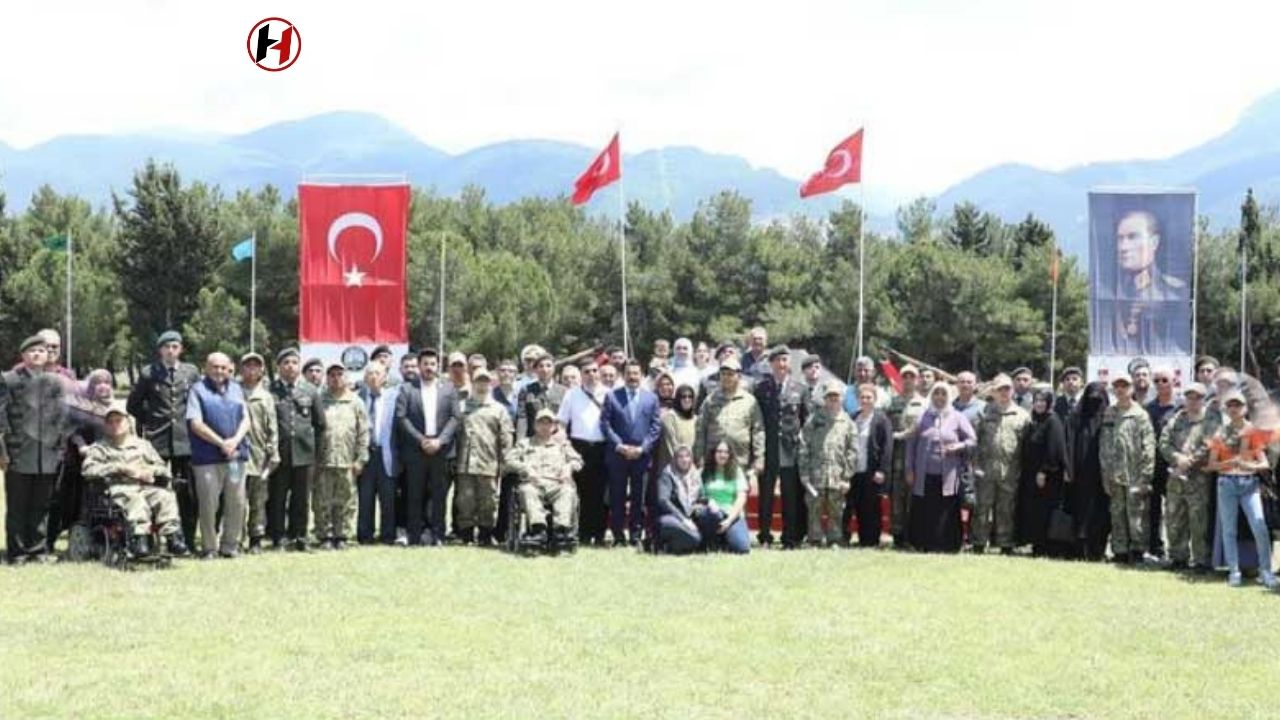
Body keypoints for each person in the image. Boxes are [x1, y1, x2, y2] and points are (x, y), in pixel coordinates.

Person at [126, 330, 200, 551]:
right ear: (160, 350)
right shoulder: (149, 373)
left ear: (181, 349)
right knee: (154, 489)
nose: (171, 350)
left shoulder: (191, 372)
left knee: (187, 493)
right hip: (157, 441)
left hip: (184, 440)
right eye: (166, 347)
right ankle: (148, 539)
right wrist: (150, 419)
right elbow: (133, 405)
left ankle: (184, 540)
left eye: (175, 346)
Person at [80, 402, 184, 556]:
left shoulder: (143, 446)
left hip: (145, 486)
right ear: (105, 426)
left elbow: (162, 468)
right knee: (134, 498)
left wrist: (148, 471)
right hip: (116, 490)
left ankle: (172, 537)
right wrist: (119, 468)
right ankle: (139, 539)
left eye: (119, 420)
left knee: (165, 496)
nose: (115, 425)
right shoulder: (99, 448)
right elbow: (88, 470)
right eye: (110, 422)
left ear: (128, 422)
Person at [1, 335, 71, 564]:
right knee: (18, 506)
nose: (38, 354)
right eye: (32, 351)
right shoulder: (9, 380)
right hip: (18, 453)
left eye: (42, 351)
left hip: (47, 455)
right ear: (23, 355)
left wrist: (59, 449)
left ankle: (38, 549)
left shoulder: (55, 383)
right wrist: (2, 451)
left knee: (41, 505)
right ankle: (18, 552)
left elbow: (62, 419)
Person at [1205, 389, 1277, 588]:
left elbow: (1264, 464)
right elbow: (1211, 465)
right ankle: (1234, 571)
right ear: (1226, 409)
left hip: (1249, 484)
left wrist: (1248, 466)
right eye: (1230, 405)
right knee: (1229, 530)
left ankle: (1266, 571)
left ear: (1245, 408)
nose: (1234, 409)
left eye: (1238, 405)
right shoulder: (1220, 432)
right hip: (1226, 483)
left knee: (1259, 527)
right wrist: (1230, 463)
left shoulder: (1253, 431)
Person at [186, 353, 251, 559]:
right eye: (215, 367)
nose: (219, 371)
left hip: (235, 457)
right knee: (208, 504)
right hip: (207, 458)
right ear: (206, 368)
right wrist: (221, 442)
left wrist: (234, 440)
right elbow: (195, 423)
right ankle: (209, 548)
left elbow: (246, 419)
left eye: (223, 367)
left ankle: (230, 546)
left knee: (237, 502)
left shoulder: (237, 388)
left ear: (230, 368)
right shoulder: (197, 390)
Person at [395, 347, 459, 547]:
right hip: (416, 450)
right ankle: (415, 536)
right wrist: (420, 440)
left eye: (432, 364)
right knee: (414, 494)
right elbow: (401, 418)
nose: (429, 368)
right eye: (425, 364)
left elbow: (456, 417)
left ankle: (438, 535)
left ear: (438, 366)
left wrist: (440, 440)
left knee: (438, 496)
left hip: (441, 449)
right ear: (420, 366)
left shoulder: (448, 389)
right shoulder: (407, 389)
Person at [693, 357, 764, 533]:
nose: (726, 377)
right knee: (713, 496)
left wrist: (759, 457)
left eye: (730, 374)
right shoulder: (710, 400)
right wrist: (699, 457)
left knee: (738, 497)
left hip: (740, 459)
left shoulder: (750, 401)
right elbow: (700, 429)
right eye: (723, 374)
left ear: (738, 376)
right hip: (713, 460)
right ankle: (712, 533)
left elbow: (758, 430)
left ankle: (736, 534)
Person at [905, 382, 976, 553]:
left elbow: (973, 441)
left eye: (943, 394)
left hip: (948, 475)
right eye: (936, 393)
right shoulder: (922, 417)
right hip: (924, 474)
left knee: (946, 510)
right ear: (931, 396)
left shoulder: (958, 417)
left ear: (948, 397)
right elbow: (911, 445)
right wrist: (909, 470)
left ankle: (947, 545)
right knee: (925, 509)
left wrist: (958, 446)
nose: (939, 397)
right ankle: (922, 544)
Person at [268, 348, 326, 552]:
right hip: (279, 454)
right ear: (279, 367)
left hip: (304, 454)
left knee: (301, 499)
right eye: (286, 362)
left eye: (294, 362)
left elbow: (320, 424)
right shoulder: (270, 390)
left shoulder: (310, 390)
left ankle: (300, 536)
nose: (290, 366)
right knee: (277, 497)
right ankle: (278, 537)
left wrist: (316, 454)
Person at [1158, 382, 1218, 572]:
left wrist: (1189, 461)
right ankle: (1178, 557)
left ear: (1203, 399)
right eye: (1190, 397)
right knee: (1175, 518)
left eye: (1198, 397)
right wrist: (1177, 458)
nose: (1193, 401)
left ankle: (1200, 560)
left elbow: (1211, 444)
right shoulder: (1176, 419)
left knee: (1198, 521)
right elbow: (1163, 442)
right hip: (1176, 478)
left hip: (1199, 479)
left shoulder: (1211, 420)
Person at [602, 359, 663, 546]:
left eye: (636, 373)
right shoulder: (612, 396)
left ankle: (636, 535)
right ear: (623, 375)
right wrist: (619, 445)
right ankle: (618, 535)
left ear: (642, 375)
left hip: (641, 457)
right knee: (617, 498)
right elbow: (605, 424)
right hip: (617, 455)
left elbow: (655, 426)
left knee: (639, 498)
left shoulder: (651, 398)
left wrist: (642, 448)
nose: (633, 377)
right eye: (629, 373)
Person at [53, 369, 115, 548]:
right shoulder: (80, 406)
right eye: (98, 383)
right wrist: (81, 446)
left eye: (106, 382)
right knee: (78, 503)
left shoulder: (115, 407)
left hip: (109, 462)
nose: (103, 386)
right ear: (91, 386)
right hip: (82, 462)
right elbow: (71, 430)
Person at [754, 346, 809, 548]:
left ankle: (790, 537)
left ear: (789, 364)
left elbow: (806, 420)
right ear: (771, 364)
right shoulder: (761, 388)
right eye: (777, 360)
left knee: (790, 495)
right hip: (768, 449)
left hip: (790, 449)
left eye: (785, 360)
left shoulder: (800, 389)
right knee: (766, 495)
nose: (781, 364)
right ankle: (765, 535)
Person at [1098, 373, 1155, 564]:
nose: (1121, 390)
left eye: (1124, 386)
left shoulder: (1140, 415)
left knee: (1136, 515)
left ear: (1131, 389)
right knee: (1117, 513)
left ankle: (1138, 551)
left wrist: (1145, 477)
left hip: (1135, 474)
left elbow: (1148, 447)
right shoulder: (1109, 412)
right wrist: (1105, 473)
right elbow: (1103, 445)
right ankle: (1120, 551)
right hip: (1114, 474)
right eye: (1117, 386)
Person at [506, 409, 582, 551]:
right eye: (541, 423)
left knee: (567, 491)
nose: (545, 426)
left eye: (549, 423)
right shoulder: (525, 444)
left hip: (556, 484)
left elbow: (577, 461)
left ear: (554, 427)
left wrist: (568, 467)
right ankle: (538, 530)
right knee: (527, 490)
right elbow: (509, 460)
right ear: (535, 425)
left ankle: (561, 531)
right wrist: (525, 469)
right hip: (534, 483)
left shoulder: (562, 445)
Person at [971, 373, 1030, 554]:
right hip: (985, 469)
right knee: (982, 508)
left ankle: (1005, 544)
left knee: (1006, 509)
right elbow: (974, 440)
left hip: (1011, 470)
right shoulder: (984, 413)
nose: (1004, 392)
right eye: (1000, 389)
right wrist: (974, 465)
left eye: (1007, 389)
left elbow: (1026, 445)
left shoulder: (1022, 415)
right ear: (994, 392)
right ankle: (979, 543)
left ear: (1012, 391)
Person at [453, 369, 512, 546]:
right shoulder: (463, 407)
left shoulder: (499, 409)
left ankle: (486, 535)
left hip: (489, 462)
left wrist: (505, 462)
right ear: (472, 382)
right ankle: (467, 535)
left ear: (490, 383)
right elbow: (455, 433)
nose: (482, 384)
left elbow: (506, 438)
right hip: (465, 461)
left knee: (488, 501)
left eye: (486, 381)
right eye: (479, 380)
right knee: (465, 501)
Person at [312, 362, 368, 550]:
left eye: (339, 374)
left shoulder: (356, 402)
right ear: (327, 378)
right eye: (332, 375)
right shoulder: (320, 400)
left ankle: (342, 535)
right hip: (324, 460)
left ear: (346, 377)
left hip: (347, 460)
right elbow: (313, 431)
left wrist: (361, 459)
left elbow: (363, 433)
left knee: (346, 500)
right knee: (323, 500)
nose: (336, 378)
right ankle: (325, 535)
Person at [798, 381, 858, 547]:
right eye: (830, 397)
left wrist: (847, 477)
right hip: (815, 474)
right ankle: (815, 539)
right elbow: (804, 445)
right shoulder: (814, 420)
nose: (833, 400)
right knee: (814, 509)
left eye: (836, 397)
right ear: (825, 399)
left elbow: (852, 451)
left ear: (841, 399)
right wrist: (804, 473)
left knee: (836, 510)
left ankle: (834, 539)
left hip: (837, 475)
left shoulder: (848, 423)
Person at [557, 359, 609, 545]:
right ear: (581, 374)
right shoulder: (572, 394)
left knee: (601, 493)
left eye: (595, 370)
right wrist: (563, 445)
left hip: (603, 447)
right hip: (579, 447)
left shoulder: (608, 393)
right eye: (587, 371)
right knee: (581, 492)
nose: (591, 374)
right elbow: (562, 423)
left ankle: (600, 533)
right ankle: (583, 533)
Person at [1015, 390, 1069, 557]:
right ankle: (1035, 544)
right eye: (1036, 400)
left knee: (1044, 511)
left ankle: (1045, 546)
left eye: (1043, 401)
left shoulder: (1052, 421)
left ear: (1049, 403)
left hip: (1047, 477)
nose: (1039, 404)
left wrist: (1044, 471)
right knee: (1034, 511)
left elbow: (1055, 450)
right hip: (1031, 474)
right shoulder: (1034, 420)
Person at [1065, 381, 1112, 561]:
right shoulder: (1076, 418)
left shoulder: (1109, 419)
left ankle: (1098, 549)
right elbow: (1069, 445)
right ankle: (1079, 548)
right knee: (1080, 512)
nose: (1095, 402)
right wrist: (1069, 469)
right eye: (1091, 398)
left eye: (1098, 398)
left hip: (1103, 475)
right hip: (1081, 475)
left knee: (1101, 514)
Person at [239, 353, 279, 554]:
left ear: (262, 370)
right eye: (248, 366)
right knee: (237, 501)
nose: (252, 370)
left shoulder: (266, 397)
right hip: (236, 456)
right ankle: (236, 538)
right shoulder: (233, 392)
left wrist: (273, 455)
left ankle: (255, 538)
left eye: (256, 366)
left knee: (258, 501)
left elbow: (273, 428)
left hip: (259, 456)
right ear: (241, 369)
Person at [845, 384, 894, 547]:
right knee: (856, 505)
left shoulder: (881, 419)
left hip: (872, 470)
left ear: (875, 399)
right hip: (854, 470)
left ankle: (871, 540)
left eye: (869, 397)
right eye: (862, 397)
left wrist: (882, 470)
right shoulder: (853, 417)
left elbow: (887, 447)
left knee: (871, 508)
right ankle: (858, 538)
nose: (865, 400)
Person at [357, 361, 400, 545]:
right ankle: (365, 535)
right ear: (365, 378)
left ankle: (387, 535)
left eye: (378, 373)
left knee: (388, 497)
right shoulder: (358, 398)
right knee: (365, 497)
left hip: (387, 454)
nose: (374, 376)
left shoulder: (395, 398)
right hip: (366, 454)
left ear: (385, 377)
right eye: (370, 373)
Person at [887, 364, 927, 549]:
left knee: (914, 499)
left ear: (917, 379)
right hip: (896, 459)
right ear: (901, 379)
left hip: (916, 461)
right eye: (905, 376)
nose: (908, 380)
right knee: (896, 500)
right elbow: (887, 430)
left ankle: (912, 536)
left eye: (912, 376)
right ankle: (897, 537)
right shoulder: (892, 403)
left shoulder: (925, 403)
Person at [1144, 365, 1181, 560]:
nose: (1160, 384)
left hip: (1175, 466)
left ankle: (1178, 551)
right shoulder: (1149, 409)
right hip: (1154, 466)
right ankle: (1155, 548)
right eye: (1156, 381)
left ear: (1173, 381)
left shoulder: (1181, 407)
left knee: (1175, 510)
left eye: (1164, 380)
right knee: (1153, 510)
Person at [1113, 210, 1188, 301]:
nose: (1123, 247)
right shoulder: (1107, 291)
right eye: (1120, 239)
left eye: (1132, 237)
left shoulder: (1176, 292)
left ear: (1154, 242)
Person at [695, 440, 751, 554]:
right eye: (719, 451)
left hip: (731, 513)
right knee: (711, 514)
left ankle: (723, 539)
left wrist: (729, 520)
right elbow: (696, 495)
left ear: (730, 454)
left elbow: (742, 497)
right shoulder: (703, 471)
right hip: (710, 513)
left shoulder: (737, 471)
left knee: (742, 548)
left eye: (726, 452)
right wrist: (708, 501)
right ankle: (711, 541)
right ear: (713, 453)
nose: (722, 455)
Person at [654, 445, 704, 554]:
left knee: (696, 537)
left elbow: (701, 498)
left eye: (687, 456)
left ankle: (668, 547)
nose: (684, 460)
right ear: (675, 459)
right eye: (680, 457)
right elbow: (663, 500)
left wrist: (701, 506)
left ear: (691, 458)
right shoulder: (667, 474)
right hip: (671, 518)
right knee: (694, 538)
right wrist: (683, 519)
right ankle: (658, 545)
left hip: (690, 518)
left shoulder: (695, 475)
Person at [516, 353, 567, 439]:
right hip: (533, 439)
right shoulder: (526, 390)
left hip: (555, 439)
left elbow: (565, 418)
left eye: (548, 366)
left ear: (554, 368)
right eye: (541, 366)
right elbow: (522, 418)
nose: (545, 369)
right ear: (536, 370)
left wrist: (561, 433)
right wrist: (520, 439)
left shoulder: (563, 391)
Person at [658, 385, 699, 482]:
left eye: (690, 397)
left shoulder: (696, 419)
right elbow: (671, 446)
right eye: (683, 397)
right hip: (672, 471)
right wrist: (683, 466)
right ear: (678, 399)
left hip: (691, 472)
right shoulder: (670, 417)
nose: (687, 399)